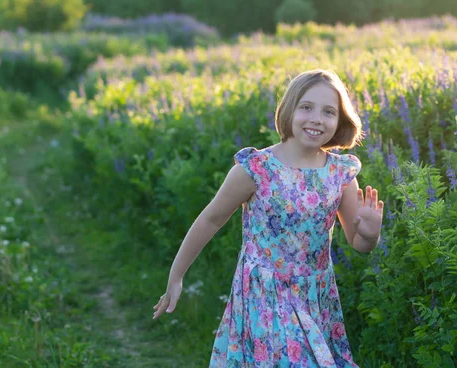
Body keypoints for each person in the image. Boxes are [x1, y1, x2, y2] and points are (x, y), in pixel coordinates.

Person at [152, 69, 384, 367]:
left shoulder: (340, 174)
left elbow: (359, 244)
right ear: (289, 110)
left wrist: (370, 234)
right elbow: (211, 219)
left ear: (340, 121)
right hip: (264, 295)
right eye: (306, 107)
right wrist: (176, 275)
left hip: (316, 296)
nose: (316, 118)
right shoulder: (257, 169)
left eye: (329, 112)